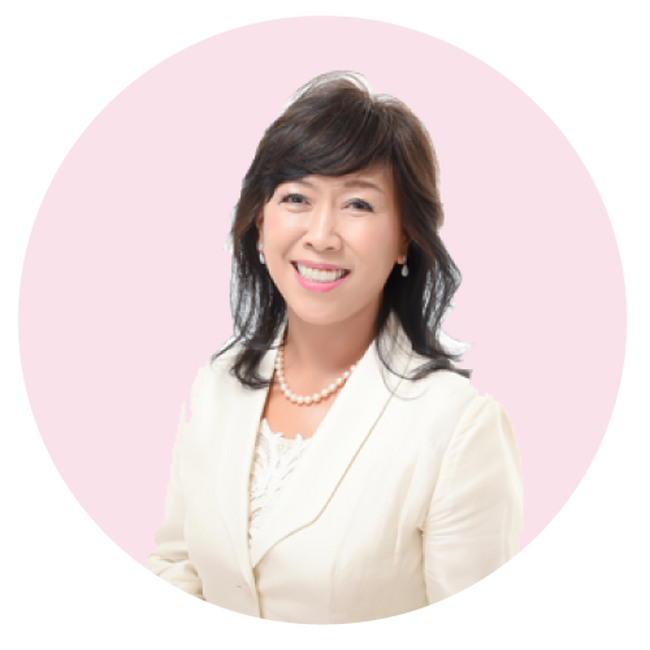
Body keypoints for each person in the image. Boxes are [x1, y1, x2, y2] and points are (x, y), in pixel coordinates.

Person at [147, 71, 523, 624]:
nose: (321, 235)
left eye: (358, 204)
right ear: (259, 222)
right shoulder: (215, 385)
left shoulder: (458, 429)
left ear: (405, 237)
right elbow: (177, 567)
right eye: (296, 198)